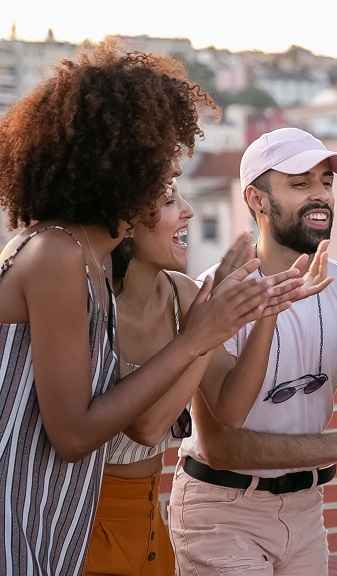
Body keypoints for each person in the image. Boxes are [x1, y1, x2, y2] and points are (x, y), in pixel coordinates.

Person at [0, 44, 288, 576]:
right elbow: (72, 435)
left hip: (58, 523)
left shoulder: (89, 260)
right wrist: (197, 337)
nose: (178, 199)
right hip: (24, 529)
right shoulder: (57, 254)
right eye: (161, 178)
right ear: (118, 169)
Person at [169, 127, 337, 575]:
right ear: (257, 199)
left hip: (305, 510)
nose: (320, 195)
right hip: (222, 510)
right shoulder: (215, 294)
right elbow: (222, 444)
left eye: (325, 182)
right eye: (300, 184)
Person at [83, 179, 323, 575]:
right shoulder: (91, 301)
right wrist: (206, 332)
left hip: (150, 524)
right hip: (89, 525)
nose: (188, 211)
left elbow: (231, 409)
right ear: (125, 218)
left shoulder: (183, 295)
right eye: (168, 199)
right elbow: (147, 426)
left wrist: (266, 313)